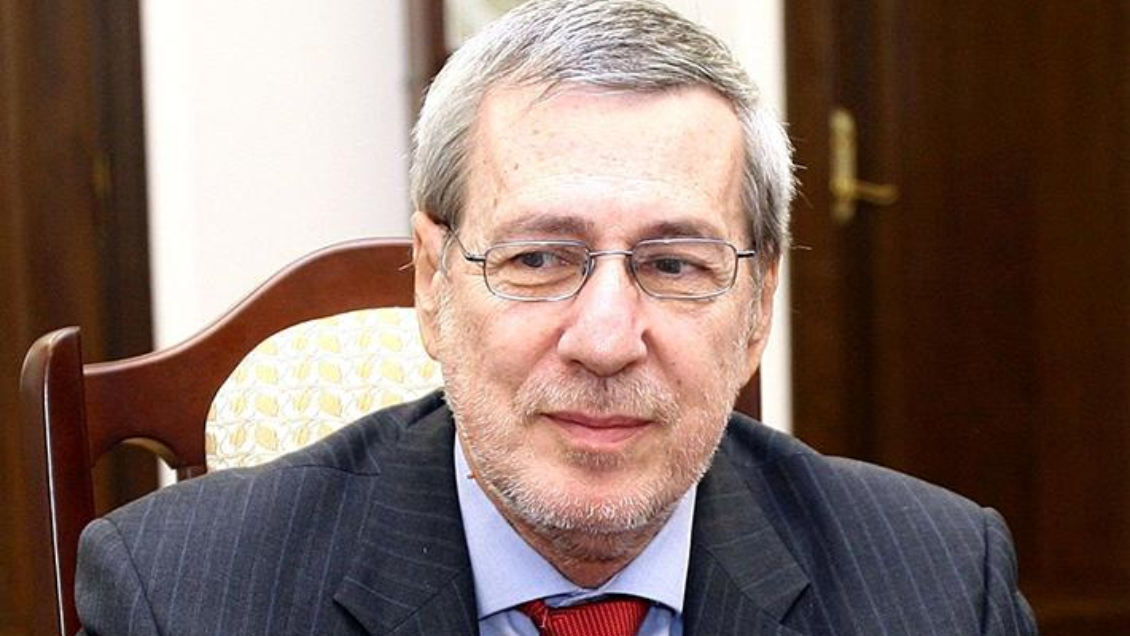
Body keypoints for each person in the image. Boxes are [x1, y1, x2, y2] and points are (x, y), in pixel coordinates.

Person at [75, 1, 1038, 634]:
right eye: (538, 260)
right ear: (432, 284)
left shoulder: (941, 585)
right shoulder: (182, 593)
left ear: (757, 310)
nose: (607, 340)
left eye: (674, 264)